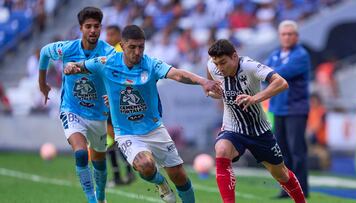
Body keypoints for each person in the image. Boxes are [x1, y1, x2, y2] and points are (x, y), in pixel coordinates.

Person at [64, 24, 222, 203]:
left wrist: (203, 81)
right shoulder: (106, 63)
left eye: (141, 47)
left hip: (154, 129)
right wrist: (71, 65)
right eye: (132, 47)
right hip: (127, 133)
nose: (137, 52)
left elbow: (177, 74)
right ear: (122, 46)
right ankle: (160, 182)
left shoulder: (151, 64)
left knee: (179, 175)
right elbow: (80, 66)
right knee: (145, 165)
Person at [207, 39, 307, 203]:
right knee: (222, 150)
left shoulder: (249, 66)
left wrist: (254, 98)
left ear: (234, 56)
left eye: (223, 63)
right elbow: (211, 84)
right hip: (232, 128)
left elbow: (281, 83)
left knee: (281, 173)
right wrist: (210, 88)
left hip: (259, 131)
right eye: (216, 63)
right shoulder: (212, 65)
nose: (219, 68)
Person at [38, 7, 115, 203]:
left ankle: (101, 196)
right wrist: (42, 83)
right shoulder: (67, 48)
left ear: (100, 28)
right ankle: (91, 200)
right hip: (72, 110)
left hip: (98, 114)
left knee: (99, 161)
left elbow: (118, 76)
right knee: (81, 153)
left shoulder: (109, 52)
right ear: (81, 28)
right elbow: (45, 53)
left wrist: (112, 95)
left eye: (96, 26)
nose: (92, 30)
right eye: (88, 26)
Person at [266, 20, 311, 198]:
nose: (287, 37)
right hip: (278, 109)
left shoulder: (301, 55)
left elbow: (276, 74)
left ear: (296, 36)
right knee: (282, 152)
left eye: (290, 34)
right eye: (284, 34)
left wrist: (269, 72)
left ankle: (302, 189)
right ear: (279, 36)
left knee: (297, 151)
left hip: (295, 109)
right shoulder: (276, 54)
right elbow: (265, 74)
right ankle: (288, 189)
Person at [105, 24, 135, 186]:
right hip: (116, 99)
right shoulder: (114, 51)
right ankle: (125, 174)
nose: (108, 38)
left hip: (114, 101)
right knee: (113, 139)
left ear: (118, 35)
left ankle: (121, 174)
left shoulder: (117, 51)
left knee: (113, 139)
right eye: (107, 35)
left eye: (111, 34)